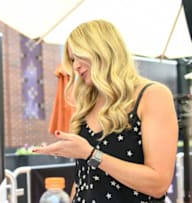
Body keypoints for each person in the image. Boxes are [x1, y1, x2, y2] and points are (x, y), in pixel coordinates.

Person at [33, 20, 178, 203]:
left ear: (102, 51)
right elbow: (82, 182)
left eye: (79, 56)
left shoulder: (152, 95)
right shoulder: (87, 103)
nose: (76, 66)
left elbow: (158, 184)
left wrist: (91, 154)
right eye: (72, 60)